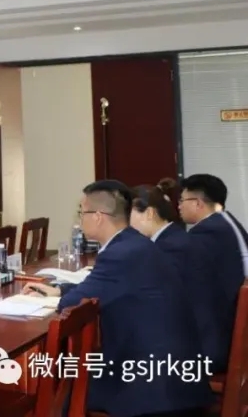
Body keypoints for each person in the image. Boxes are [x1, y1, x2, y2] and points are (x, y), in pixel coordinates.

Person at [23, 180, 212, 417]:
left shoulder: (121, 253)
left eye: (82, 213)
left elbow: (73, 305)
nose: (80, 219)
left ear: (98, 217)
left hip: (155, 384)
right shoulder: (133, 243)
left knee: (62, 387)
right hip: (172, 372)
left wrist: (64, 296)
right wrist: (61, 289)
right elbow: (103, 287)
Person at [130, 185, 225, 371]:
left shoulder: (171, 248)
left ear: (149, 213)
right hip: (198, 336)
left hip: (196, 348)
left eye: (128, 215)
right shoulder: (174, 238)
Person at [179, 173, 248, 373]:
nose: (179, 206)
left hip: (222, 341)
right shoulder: (227, 223)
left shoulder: (205, 234)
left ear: (198, 203)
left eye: (182, 200)